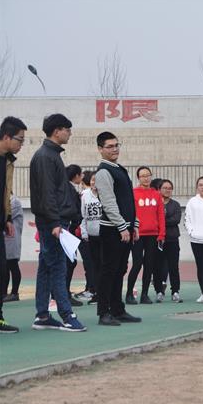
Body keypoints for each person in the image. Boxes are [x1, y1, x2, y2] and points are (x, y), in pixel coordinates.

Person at [29, 114, 86, 332]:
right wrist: (54, 223)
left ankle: (42, 315)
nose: (69, 133)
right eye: (67, 129)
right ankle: (67, 315)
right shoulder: (46, 157)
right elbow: (47, 193)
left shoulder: (50, 156)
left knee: (46, 267)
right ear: (57, 131)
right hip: (53, 222)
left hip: (54, 220)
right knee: (58, 267)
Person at [94, 131, 142, 326]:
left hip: (125, 229)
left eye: (116, 145)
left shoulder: (119, 169)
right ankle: (103, 312)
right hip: (112, 230)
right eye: (109, 146)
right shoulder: (103, 172)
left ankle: (117, 309)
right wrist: (122, 226)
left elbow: (129, 200)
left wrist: (134, 224)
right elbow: (108, 202)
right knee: (109, 270)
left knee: (120, 270)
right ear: (100, 149)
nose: (114, 149)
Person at [0, 116, 26, 333]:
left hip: (1, 225)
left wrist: (7, 218)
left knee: (2, 271)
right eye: (20, 140)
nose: (21, 145)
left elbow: (5, 192)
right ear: (6, 137)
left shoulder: (7, 161)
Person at [126, 166, 165, 304]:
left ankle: (145, 294)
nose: (146, 178)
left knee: (149, 265)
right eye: (143, 176)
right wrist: (131, 230)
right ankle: (129, 294)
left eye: (148, 175)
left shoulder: (156, 194)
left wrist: (161, 234)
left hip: (153, 235)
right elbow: (130, 213)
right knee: (137, 264)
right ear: (138, 178)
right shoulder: (133, 193)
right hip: (137, 235)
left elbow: (160, 215)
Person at [157, 179, 183, 303]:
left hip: (172, 239)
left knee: (173, 267)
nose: (167, 190)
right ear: (159, 189)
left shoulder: (175, 205)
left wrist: (161, 221)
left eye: (169, 188)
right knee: (159, 267)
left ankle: (175, 291)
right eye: (164, 188)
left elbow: (176, 220)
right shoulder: (155, 203)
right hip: (159, 240)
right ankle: (159, 291)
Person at [63, 164, 85, 307]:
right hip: (68, 230)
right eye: (80, 174)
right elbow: (73, 210)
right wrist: (77, 221)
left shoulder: (68, 188)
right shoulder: (69, 189)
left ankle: (63, 292)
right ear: (75, 175)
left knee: (69, 262)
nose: (82, 177)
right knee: (69, 262)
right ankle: (63, 293)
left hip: (69, 229)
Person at [80, 171, 102, 305]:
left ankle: (104, 293)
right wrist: (84, 232)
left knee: (104, 265)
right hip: (91, 236)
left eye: (97, 180)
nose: (94, 183)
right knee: (94, 266)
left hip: (105, 236)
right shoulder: (85, 196)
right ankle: (96, 293)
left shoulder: (106, 195)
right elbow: (83, 216)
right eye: (93, 180)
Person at [2, 195, 23, 302]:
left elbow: (5, 216)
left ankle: (14, 292)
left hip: (12, 238)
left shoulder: (13, 201)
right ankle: (3, 293)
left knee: (12, 264)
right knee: (4, 267)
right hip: (6, 239)